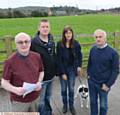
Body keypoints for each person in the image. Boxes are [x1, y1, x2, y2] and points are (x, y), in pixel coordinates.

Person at [1, 32, 44, 112]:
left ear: (30, 43)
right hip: (19, 101)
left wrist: (39, 81)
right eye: (20, 42)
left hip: (35, 98)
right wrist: (15, 90)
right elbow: (4, 82)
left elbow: (41, 71)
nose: (24, 44)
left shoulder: (37, 56)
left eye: (26, 41)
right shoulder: (10, 61)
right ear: (16, 44)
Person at [87, 29, 119, 115]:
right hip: (92, 82)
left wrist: (108, 85)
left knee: (103, 106)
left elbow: (115, 71)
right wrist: (89, 75)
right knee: (93, 103)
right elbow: (89, 64)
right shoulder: (93, 50)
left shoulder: (113, 53)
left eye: (100, 37)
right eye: (96, 37)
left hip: (103, 85)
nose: (98, 39)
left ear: (105, 38)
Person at [30, 19, 56, 115]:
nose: (45, 29)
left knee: (48, 97)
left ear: (49, 28)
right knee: (40, 100)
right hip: (41, 78)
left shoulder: (51, 40)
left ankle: (48, 112)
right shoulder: (33, 43)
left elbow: (53, 55)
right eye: (43, 27)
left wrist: (56, 71)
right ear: (39, 28)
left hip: (51, 76)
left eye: (47, 27)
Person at [56, 26, 82, 115]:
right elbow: (58, 59)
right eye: (66, 33)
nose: (68, 34)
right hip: (63, 68)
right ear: (64, 34)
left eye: (70, 33)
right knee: (63, 89)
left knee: (71, 88)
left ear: (72, 34)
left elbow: (79, 56)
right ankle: (65, 105)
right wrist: (62, 73)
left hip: (72, 69)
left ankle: (71, 106)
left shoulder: (76, 44)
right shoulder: (59, 44)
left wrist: (79, 66)